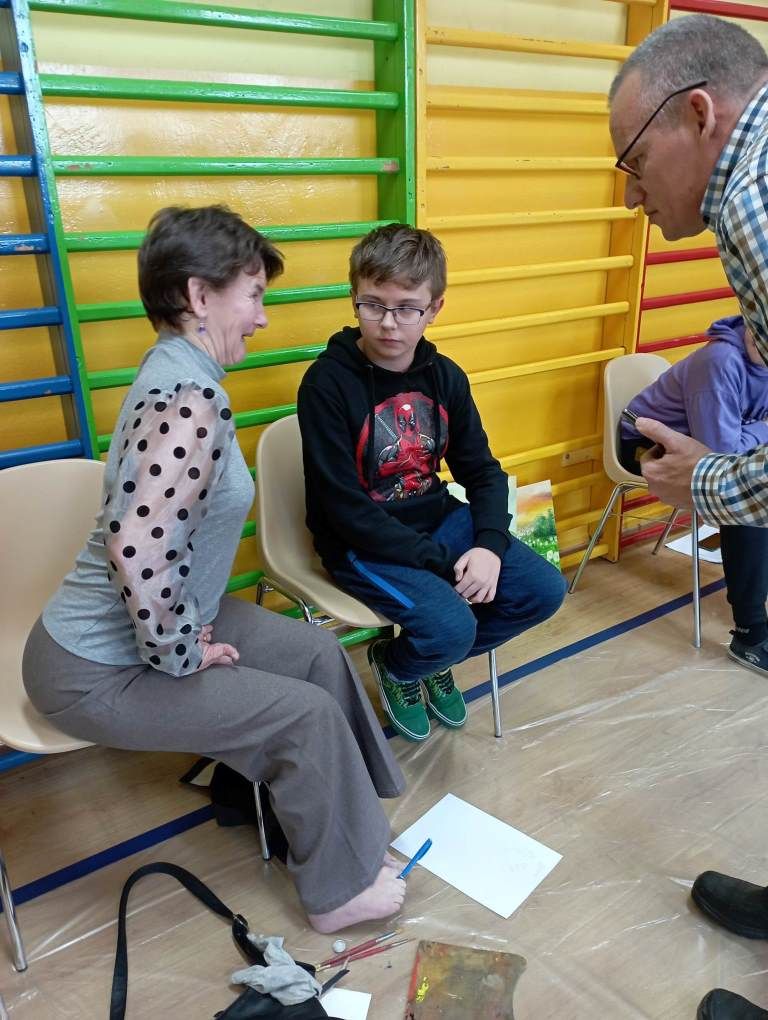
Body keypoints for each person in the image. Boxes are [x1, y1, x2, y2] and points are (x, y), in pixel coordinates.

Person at [21, 204, 407, 934]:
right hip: (92, 669)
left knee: (316, 654)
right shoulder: (189, 398)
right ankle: (337, 893)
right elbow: (136, 547)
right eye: (253, 295)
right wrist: (181, 651)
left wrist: (183, 632)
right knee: (303, 715)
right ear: (199, 296)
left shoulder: (179, 373)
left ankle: (346, 840)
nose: (262, 317)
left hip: (161, 625)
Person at [609, 14, 768, 1018]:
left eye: (633, 161)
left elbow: (730, 456)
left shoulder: (750, 202)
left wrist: (708, 485)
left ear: (698, 114)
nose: (630, 195)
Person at [296, 223, 566, 744]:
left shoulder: (446, 377)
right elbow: (345, 510)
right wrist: (446, 565)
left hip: (437, 520)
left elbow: (482, 472)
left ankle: (423, 658)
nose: (388, 322)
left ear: (435, 308)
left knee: (543, 591)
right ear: (354, 297)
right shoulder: (326, 383)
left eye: (407, 308)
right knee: (453, 625)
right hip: (361, 542)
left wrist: (488, 547)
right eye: (373, 305)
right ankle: (402, 664)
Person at [620, 316, 768, 673]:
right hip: (645, 445)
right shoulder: (720, 361)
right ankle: (750, 634)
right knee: (741, 498)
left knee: (754, 488)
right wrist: (762, 430)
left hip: (707, 442)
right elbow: (722, 457)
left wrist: (752, 433)